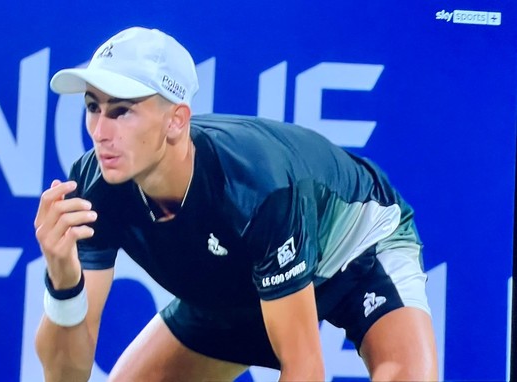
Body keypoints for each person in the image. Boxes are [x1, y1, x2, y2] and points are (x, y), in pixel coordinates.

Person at [34, 26, 438, 381]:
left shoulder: (256, 188)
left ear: (176, 120)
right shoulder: (95, 186)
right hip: (241, 278)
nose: (100, 131)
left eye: (121, 111)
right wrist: (63, 277)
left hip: (356, 249)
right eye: (92, 108)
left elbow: (304, 367)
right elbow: (66, 377)